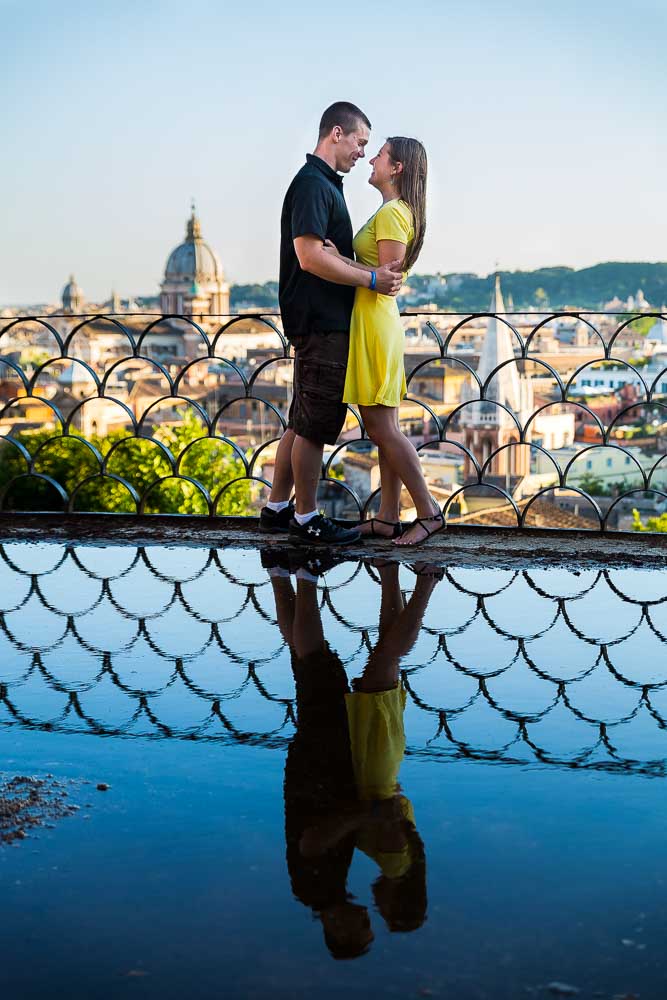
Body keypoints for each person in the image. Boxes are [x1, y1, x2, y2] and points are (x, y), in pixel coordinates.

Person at [263, 548, 433, 957]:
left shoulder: (318, 891)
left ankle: (301, 574)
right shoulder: (330, 889)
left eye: (362, 930)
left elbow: (312, 842)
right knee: (310, 665)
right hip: (320, 772)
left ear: (339, 932)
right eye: (374, 925)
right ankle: (280, 572)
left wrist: (367, 815)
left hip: (320, 771)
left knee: (316, 665)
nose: (367, 919)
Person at [259, 102, 403, 546]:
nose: (363, 152)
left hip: (317, 321)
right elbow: (309, 256)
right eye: (360, 142)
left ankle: (278, 507)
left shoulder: (321, 185)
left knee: (300, 421)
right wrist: (373, 278)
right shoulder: (314, 186)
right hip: (322, 322)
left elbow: (321, 253)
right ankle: (306, 517)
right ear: (336, 134)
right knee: (315, 426)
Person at [326, 137, 444, 547]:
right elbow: (377, 273)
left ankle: (428, 512)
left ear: (397, 168)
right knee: (386, 427)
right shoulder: (394, 211)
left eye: (380, 154)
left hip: (374, 323)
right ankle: (388, 517)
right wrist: (342, 259)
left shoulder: (394, 213)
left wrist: (337, 260)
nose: (371, 159)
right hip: (376, 323)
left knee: (381, 427)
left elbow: (385, 282)